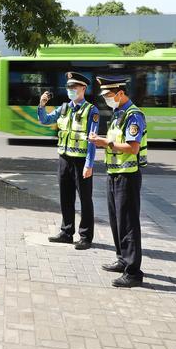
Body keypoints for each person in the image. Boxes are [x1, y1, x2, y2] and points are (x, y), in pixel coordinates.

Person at [88, 76, 148, 288]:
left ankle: (133, 272)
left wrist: (105, 142)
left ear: (120, 93)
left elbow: (133, 147)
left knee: (129, 223)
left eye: (108, 95)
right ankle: (122, 259)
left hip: (128, 175)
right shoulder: (117, 114)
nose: (106, 99)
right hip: (114, 173)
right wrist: (101, 139)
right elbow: (116, 140)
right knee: (116, 219)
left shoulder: (134, 115)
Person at [38, 72, 99, 250]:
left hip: (81, 161)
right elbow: (44, 120)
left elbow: (92, 140)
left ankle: (86, 236)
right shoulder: (63, 108)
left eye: (74, 87)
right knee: (65, 197)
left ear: (83, 89)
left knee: (85, 199)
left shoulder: (91, 110)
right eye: (69, 87)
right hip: (64, 159)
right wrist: (42, 105)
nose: (71, 90)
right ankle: (66, 232)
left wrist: (89, 164)